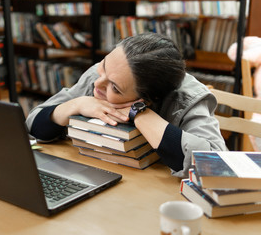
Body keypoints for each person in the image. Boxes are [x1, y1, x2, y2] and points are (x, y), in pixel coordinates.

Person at [25, 32, 227, 178]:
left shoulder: (188, 98)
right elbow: (33, 125)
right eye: (103, 66)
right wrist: (75, 105)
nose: (97, 84)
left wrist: (140, 114)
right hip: (95, 176)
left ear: (148, 98)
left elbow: (216, 165)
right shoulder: (102, 74)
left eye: (115, 88)